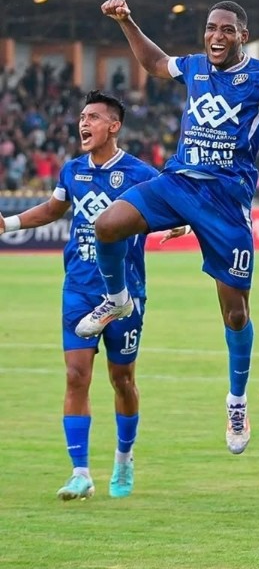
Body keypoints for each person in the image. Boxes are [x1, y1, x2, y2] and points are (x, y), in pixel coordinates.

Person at [75, 0, 259, 456]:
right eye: (211, 27)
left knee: (235, 313)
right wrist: (127, 20)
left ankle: (237, 401)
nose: (216, 36)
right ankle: (116, 300)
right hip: (176, 183)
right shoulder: (193, 67)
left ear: (242, 36)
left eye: (226, 29)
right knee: (107, 225)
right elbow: (154, 62)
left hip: (225, 202)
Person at [0, 91, 158, 501]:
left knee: (122, 379)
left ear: (114, 126)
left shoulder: (141, 174)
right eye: (81, 118)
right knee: (75, 376)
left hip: (126, 291)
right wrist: (8, 223)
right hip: (79, 288)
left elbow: (170, 207)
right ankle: (80, 472)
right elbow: (53, 211)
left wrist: (177, 224)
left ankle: (124, 458)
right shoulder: (72, 171)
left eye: (92, 117)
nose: (83, 124)